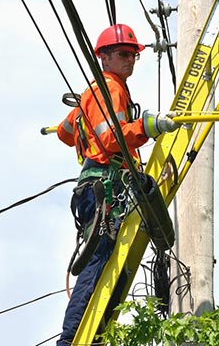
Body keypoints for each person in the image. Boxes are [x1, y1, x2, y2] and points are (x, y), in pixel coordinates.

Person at [54, 23, 180, 344]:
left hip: (93, 188)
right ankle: (71, 339)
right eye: (123, 54)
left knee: (103, 262)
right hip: (103, 188)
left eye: (133, 55)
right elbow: (111, 138)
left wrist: (80, 120)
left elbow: (64, 134)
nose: (130, 60)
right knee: (98, 264)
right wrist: (147, 126)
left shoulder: (91, 94)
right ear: (104, 58)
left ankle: (88, 333)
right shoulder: (110, 88)